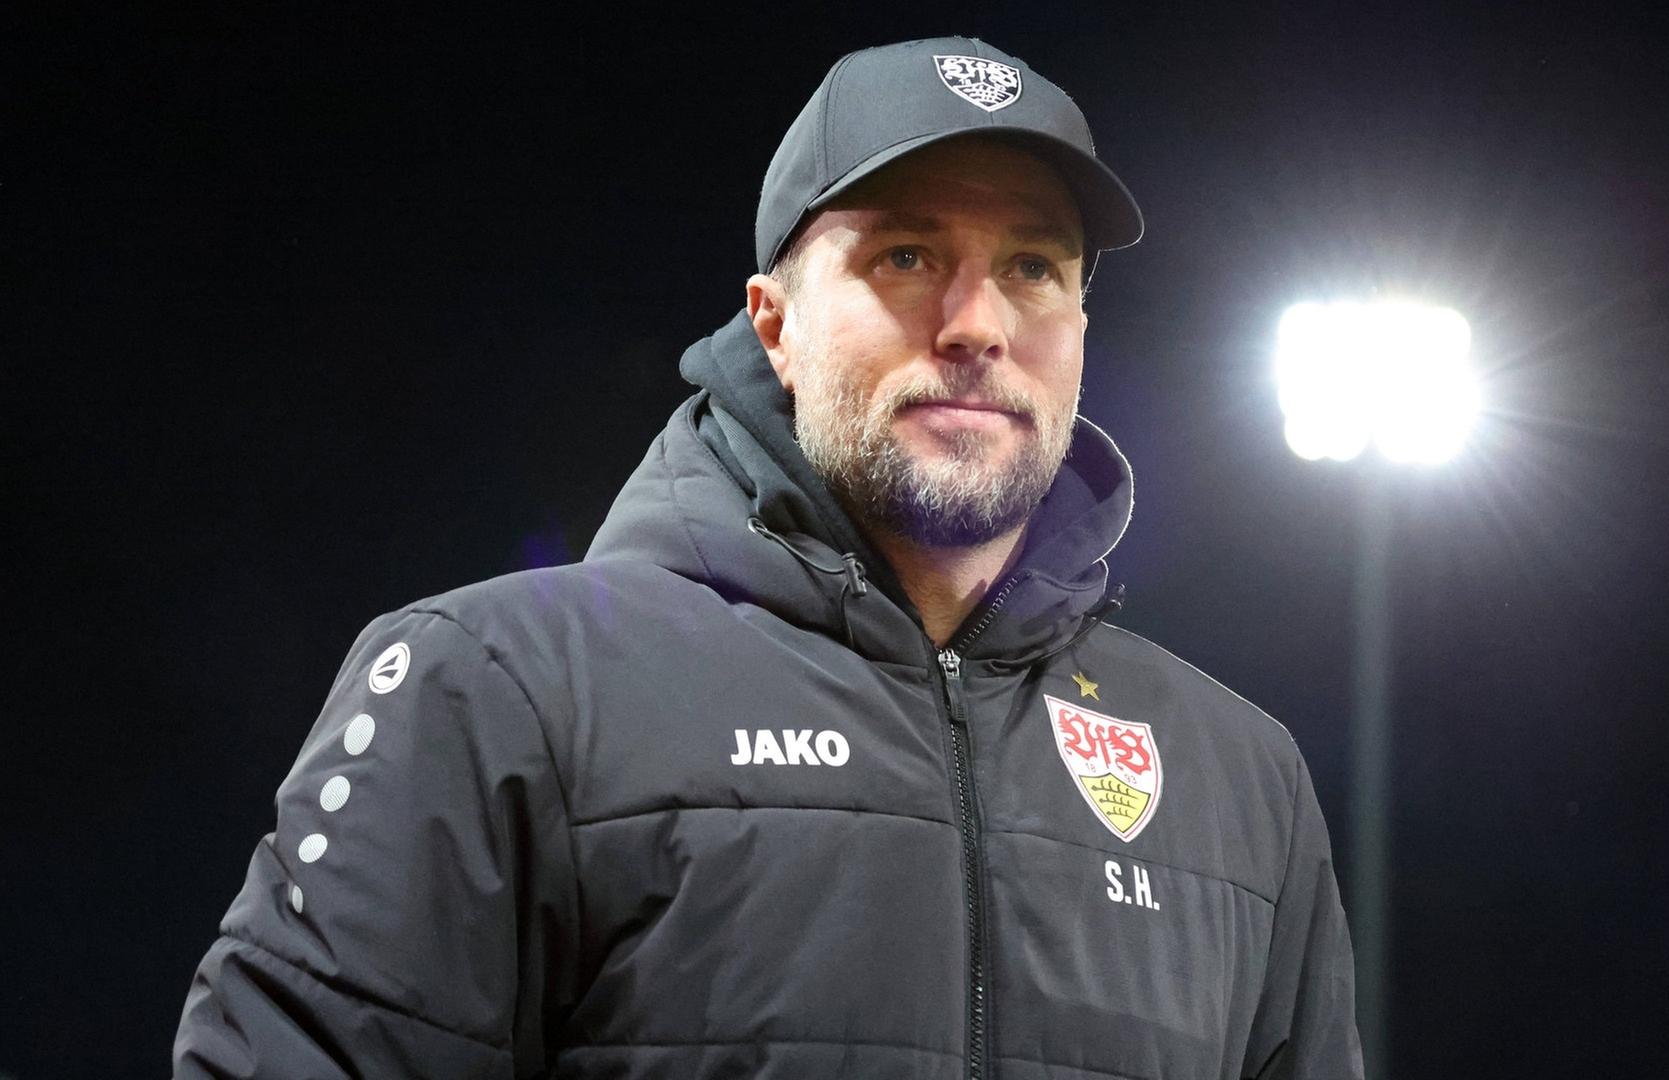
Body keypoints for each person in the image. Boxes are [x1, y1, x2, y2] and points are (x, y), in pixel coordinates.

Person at [174, 37, 1363, 1079]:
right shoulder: (497, 684)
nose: (977, 323)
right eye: (903, 256)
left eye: (1032, 267)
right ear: (774, 324)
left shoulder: (1240, 778)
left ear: (1081, 329)